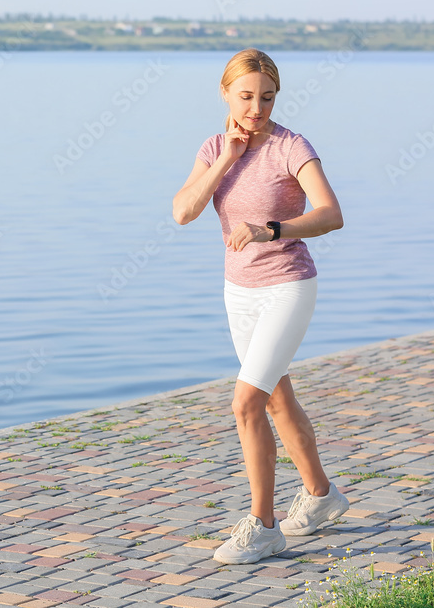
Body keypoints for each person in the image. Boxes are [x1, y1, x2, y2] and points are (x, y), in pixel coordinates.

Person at [172, 48, 349, 565]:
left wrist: (270, 230)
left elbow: (331, 214)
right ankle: (320, 496)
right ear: (225, 94)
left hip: (288, 285)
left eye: (266, 97)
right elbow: (183, 211)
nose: (257, 108)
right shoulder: (212, 148)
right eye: (246, 96)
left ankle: (264, 524)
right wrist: (227, 156)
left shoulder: (291, 146)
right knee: (273, 398)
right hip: (238, 291)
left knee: (245, 403)